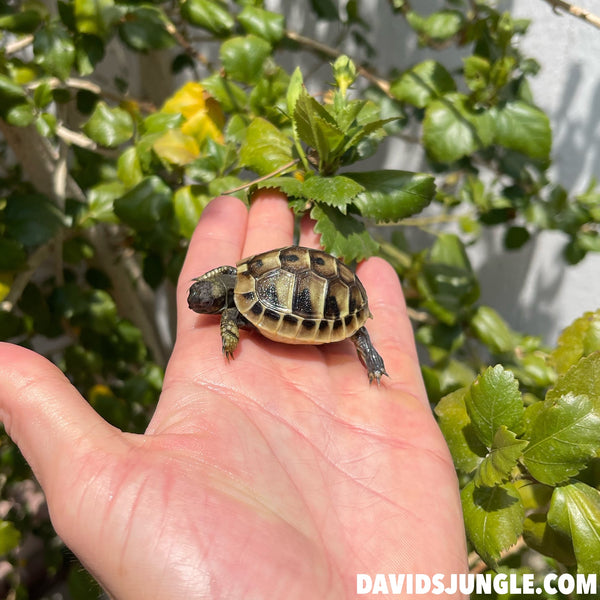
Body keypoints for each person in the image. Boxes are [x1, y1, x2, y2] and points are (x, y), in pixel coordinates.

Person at [0, 190, 467, 599]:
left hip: (323, 300)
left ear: (218, 294)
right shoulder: (239, 275)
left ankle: (365, 346)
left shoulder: (235, 303)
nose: (201, 306)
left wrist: (229, 332)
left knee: (351, 330)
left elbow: (232, 312)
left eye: (205, 301)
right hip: (290, 279)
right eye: (203, 299)